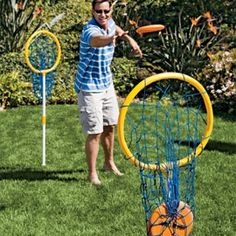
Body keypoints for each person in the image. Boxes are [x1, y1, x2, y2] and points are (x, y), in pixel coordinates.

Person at [75, 0, 142, 185]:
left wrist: (129, 39)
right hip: (89, 86)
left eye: (106, 11)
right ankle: (92, 173)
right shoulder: (89, 30)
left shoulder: (110, 23)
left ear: (111, 10)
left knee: (111, 125)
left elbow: (117, 28)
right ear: (92, 11)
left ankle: (109, 162)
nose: (103, 15)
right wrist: (110, 38)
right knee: (95, 131)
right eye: (99, 11)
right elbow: (97, 41)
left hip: (106, 83)